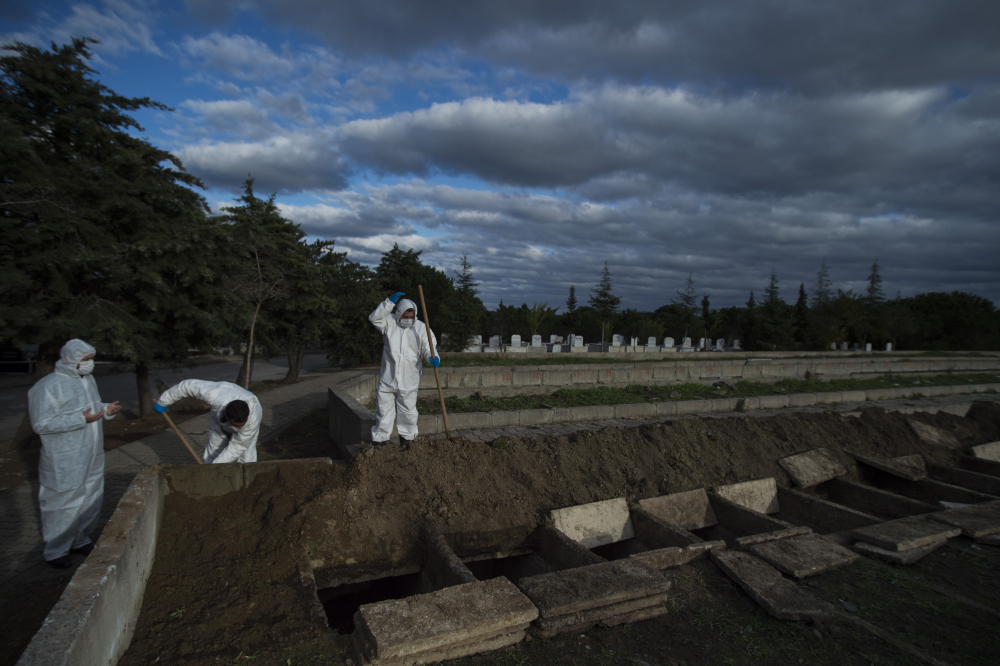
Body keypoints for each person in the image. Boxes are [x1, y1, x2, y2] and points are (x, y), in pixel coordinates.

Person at [28, 339, 122, 569]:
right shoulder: (48, 385)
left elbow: (93, 405)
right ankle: (56, 550)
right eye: (86, 359)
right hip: (64, 457)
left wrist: (106, 409)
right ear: (71, 359)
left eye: (91, 358)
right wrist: (81, 419)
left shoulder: (87, 379)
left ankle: (80, 539)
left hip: (91, 453)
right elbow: (41, 423)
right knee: (63, 502)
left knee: (91, 496)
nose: (90, 364)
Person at [369, 292, 440, 443]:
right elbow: (374, 318)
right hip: (388, 378)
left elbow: (429, 347)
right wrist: (388, 303)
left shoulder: (421, 328)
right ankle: (380, 442)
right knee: (383, 411)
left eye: (411, 317)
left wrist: (432, 358)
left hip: (409, 379)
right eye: (405, 317)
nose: (408, 320)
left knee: (408, 411)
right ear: (399, 314)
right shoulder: (389, 323)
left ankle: (407, 441)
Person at [153, 380, 262, 464]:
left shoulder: (252, 419)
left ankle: (247, 482)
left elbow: (239, 446)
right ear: (226, 415)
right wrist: (164, 401)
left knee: (246, 456)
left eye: (241, 426)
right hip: (218, 419)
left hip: (247, 429)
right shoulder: (214, 395)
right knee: (213, 451)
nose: (238, 428)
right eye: (236, 425)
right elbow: (188, 385)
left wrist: (217, 465)